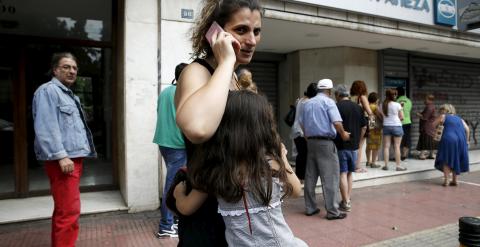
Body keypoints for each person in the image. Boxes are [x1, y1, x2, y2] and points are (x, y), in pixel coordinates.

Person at [173, 0, 262, 245]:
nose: (252, 40)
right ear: (215, 33)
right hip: (206, 213)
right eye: (241, 30)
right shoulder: (197, 71)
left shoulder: (230, 77)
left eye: (256, 31)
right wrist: (224, 61)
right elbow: (198, 128)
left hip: (235, 208)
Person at [174, 90, 307, 246]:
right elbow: (296, 190)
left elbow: (186, 208)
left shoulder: (216, 168)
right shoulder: (270, 163)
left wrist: (178, 194)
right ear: (262, 126)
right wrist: (282, 156)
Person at [32, 52, 96, 247]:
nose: (71, 71)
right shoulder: (48, 91)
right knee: (69, 211)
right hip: (63, 160)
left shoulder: (69, 95)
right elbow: (45, 127)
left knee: (65, 209)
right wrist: (61, 156)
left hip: (72, 159)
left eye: (74, 68)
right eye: (66, 67)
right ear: (55, 70)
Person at [299, 79, 350, 220]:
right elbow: (337, 122)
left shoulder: (307, 103)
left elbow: (301, 124)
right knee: (330, 178)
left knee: (310, 176)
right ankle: (333, 212)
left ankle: (310, 208)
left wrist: (308, 137)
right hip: (325, 143)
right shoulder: (329, 102)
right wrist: (344, 134)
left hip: (311, 142)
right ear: (329, 91)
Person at [153, 63, 188, 238]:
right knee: (172, 184)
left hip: (164, 143)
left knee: (174, 181)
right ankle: (166, 225)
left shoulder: (165, 92)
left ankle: (173, 219)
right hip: (177, 144)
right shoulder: (184, 92)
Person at [334, 85, 367, 212]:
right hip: (354, 146)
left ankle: (346, 202)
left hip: (341, 145)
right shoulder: (358, 107)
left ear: (338, 95)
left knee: (342, 172)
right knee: (349, 173)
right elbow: (364, 126)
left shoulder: (336, 107)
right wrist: (359, 140)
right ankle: (347, 198)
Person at [433, 104, 470, 186]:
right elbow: (467, 129)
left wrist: (439, 125)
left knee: (447, 159)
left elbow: (433, 125)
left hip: (448, 139)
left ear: (445, 110)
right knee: (456, 159)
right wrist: (467, 141)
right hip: (461, 140)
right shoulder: (460, 119)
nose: (440, 111)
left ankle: (446, 180)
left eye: (441, 110)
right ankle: (455, 180)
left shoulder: (443, 116)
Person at [290, 82, 318, 181]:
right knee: (304, 155)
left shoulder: (300, 100)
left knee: (301, 155)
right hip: (303, 132)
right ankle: (302, 177)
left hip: (296, 130)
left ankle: (300, 176)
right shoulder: (308, 103)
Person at [350, 80, 374, 173]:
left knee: (353, 145)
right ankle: (357, 167)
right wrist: (372, 125)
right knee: (359, 145)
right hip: (362, 123)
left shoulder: (351, 97)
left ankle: (352, 165)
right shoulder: (362, 97)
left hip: (352, 123)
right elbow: (369, 112)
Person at [380, 88, 407, 171]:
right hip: (396, 126)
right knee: (397, 147)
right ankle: (398, 166)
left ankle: (386, 165)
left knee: (386, 146)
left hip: (386, 126)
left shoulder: (382, 105)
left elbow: (381, 115)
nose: (395, 95)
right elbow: (402, 117)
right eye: (395, 94)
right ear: (393, 95)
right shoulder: (397, 105)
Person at [416, 94, 437, 160]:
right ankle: (432, 154)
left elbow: (425, 117)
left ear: (429, 100)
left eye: (425, 99)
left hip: (427, 127)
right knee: (430, 140)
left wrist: (418, 114)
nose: (424, 100)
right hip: (431, 126)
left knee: (424, 139)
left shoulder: (429, 107)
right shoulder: (432, 106)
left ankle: (422, 155)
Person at [366, 92, 382, 168]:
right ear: (376, 99)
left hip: (368, 128)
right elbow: (379, 116)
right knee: (375, 146)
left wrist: (370, 128)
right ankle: (373, 163)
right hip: (375, 128)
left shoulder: (367, 106)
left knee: (368, 145)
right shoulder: (375, 107)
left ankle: (368, 161)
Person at [396, 87, 412, 161]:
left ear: (398, 93)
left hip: (399, 122)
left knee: (399, 138)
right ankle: (404, 154)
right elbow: (409, 111)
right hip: (408, 122)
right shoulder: (409, 101)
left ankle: (399, 154)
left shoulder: (397, 101)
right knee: (406, 138)